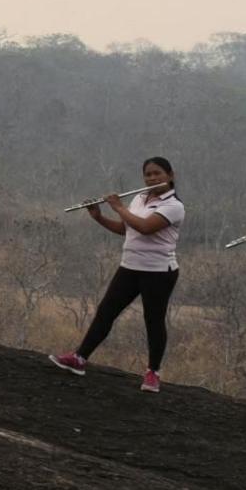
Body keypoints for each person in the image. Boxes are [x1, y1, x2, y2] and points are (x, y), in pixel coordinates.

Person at [49, 157, 185, 392]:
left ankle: (153, 373)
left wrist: (118, 207)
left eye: (157, 173)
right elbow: (126, 229)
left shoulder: (174, 206)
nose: (152, 178)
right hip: (129, 267)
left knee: (153, 320)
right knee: (106, 312)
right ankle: (80, 358)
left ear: (170, 175)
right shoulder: (139, 198)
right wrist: (99, 217)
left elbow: (145, 227)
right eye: (148, 174)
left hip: (159, 272)